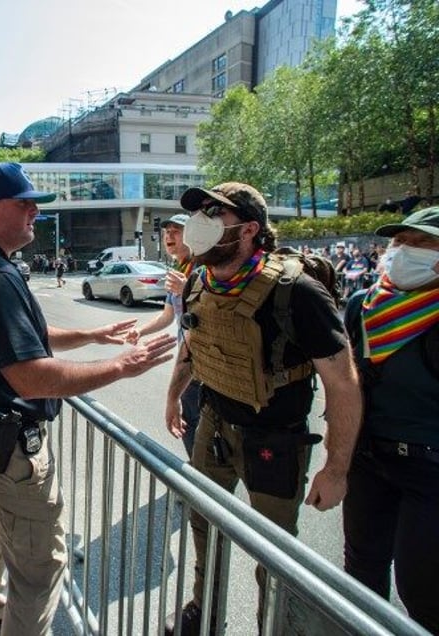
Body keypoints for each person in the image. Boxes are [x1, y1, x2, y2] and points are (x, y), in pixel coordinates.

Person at [0, 162, 177, 636]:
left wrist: (92, 334)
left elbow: (26, 336)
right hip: (7, 449)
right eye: (23, 203)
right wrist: (122, 366)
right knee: (42, 568)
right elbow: (30, 377)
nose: (35, 211)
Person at [163, 182, 362, 635]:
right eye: (202, 213)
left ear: (250, 229)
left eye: (217, 215)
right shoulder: (200, 279)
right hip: (212, 424)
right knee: (203, 523)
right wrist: (174, 395)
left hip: (275, 440)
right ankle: (205, 611)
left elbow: (342, 382)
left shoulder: (298, 293)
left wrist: (336, 468)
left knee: (273, 553)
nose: (202, 223)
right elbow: (192, 344)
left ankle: (274, 627)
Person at [342, 207, 439, 634]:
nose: (403, 251)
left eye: (421, 243)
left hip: (430, 472)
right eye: (399, 242)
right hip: (369, 461)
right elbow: (348, 387)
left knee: (422, 590)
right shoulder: (362, 306)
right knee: (361, 576)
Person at [126, 213, 202, 457]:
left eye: (176, 231)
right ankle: (200, 474)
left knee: (199, 426)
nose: (169, 236)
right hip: (187, 359)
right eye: (167, 232)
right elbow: (168, 316)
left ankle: (204, 483)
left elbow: (214, 313)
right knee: (191, 423)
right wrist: (140, 330)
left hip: (204, 364)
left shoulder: (202, 270)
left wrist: (188, 288)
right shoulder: (179, 270)